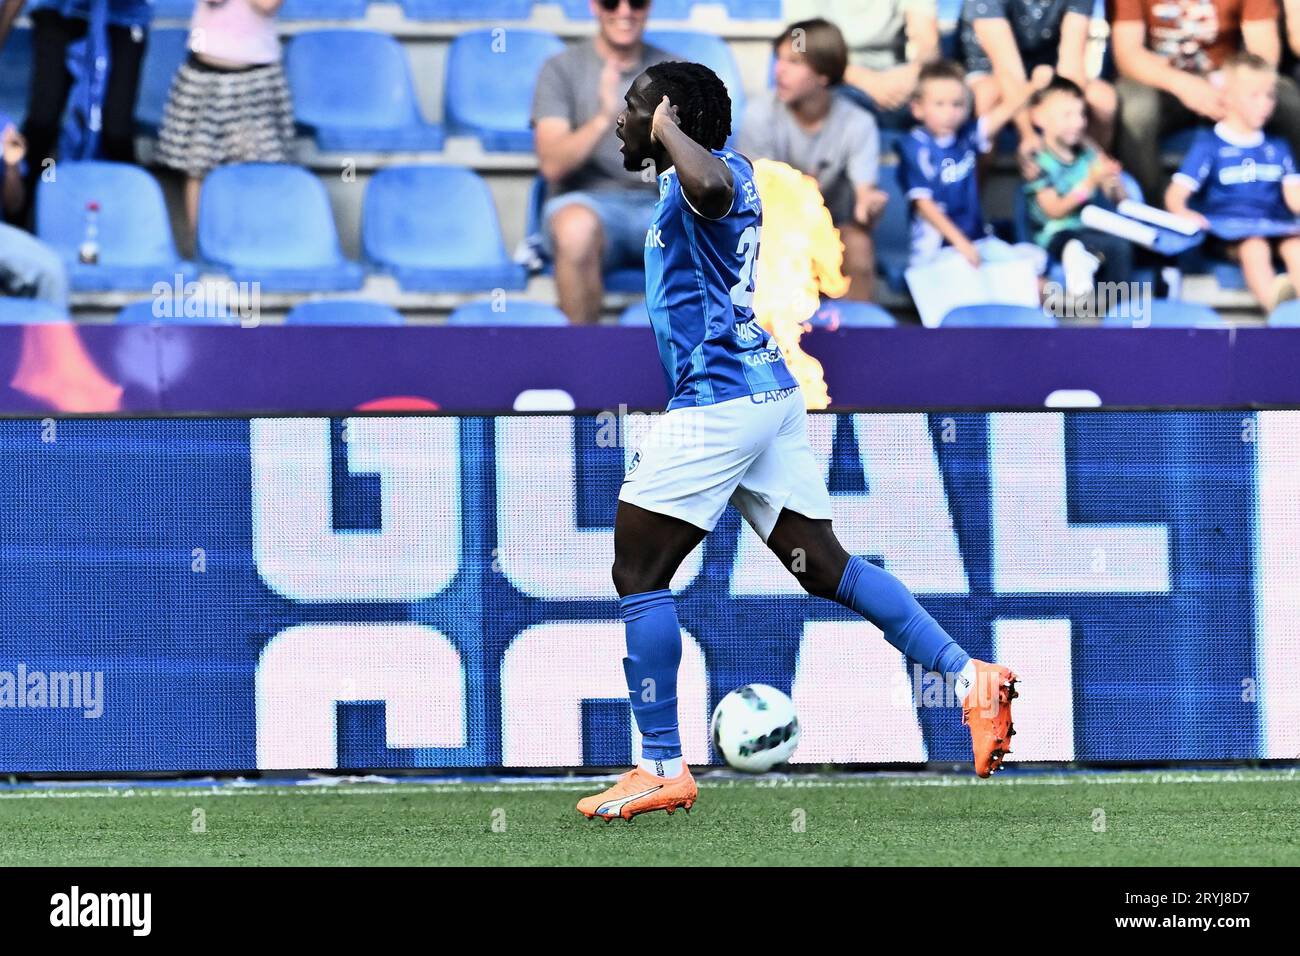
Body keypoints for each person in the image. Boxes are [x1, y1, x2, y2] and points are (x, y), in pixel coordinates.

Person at [575, 61, 1020, 823]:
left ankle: (659, 765)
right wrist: (666, 138)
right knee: (826, 567)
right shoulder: (714, 173)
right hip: (765, 395)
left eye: (634, 109)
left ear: (670, 118)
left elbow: (708, 191)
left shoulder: (709, 178)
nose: (621, 119)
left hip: (719, 402)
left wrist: (666, 127)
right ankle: (969, 675)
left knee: (637, 571)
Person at [531, 0, 672, 325]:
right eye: (612, 1)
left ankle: (697, 369)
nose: (624, 11)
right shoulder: (561, 68)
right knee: (576, 229)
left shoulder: (674, 70)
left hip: (659, 202)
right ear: (595, 6)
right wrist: (604, 117)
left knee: (711, 226)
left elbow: (699, 158)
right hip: (588, 201)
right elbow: (552, 165)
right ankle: (581, 363)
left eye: (635, 1)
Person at [739, 18, 888, 301]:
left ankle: (856, 337)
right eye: (779, 59)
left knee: (859, 244)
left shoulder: (858, 123)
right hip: (774, 232)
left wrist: (869, 208)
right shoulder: (759, 115)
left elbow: (864, 196)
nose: (778, 70)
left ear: (824, 74)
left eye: (794, 62)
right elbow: (757, 202)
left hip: (833, 231)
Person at [1112, 0, 1300, 205]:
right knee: (1136, 110)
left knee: (1287, 101)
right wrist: (1182, 84)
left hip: (1225, 78)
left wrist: (1230, 86)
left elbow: (1264, 51)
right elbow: (1127, 54)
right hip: (1162, 82)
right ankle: (1151, 207)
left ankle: (1287, 203)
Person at [1166, 53, 1300, 311]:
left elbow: (1294, 198)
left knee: (1296, 247)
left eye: (1270, 96)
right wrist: (1185, 214)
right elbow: (1175, 196)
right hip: (1231, 232)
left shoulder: (1278, 147)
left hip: (1274, 225)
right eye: (1254, 96)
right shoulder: (1209, 145)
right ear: (1227, 96)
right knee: (1255, 248)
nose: (1265, 104)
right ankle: (1278, 310)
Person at [154, 0, 295, 236]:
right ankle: (201, 246)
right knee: (197, 168)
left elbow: (266, 5)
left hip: (255, 77)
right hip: (202, 73)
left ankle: (248, 241)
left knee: (254, 168)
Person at [6, 0, 152, 226]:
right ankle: (24, 220)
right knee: (43, 125)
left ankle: (129, 223)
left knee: (116, 133)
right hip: (60, 12)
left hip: (124, 18)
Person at [899, 58, 1053, 268]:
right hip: (936, 251)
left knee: (1036, 261)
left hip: (975, 241)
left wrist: (1033, 86)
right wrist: (961, 243)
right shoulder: (915, 146)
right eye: (939, 104)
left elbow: (1003, 112)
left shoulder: (966, 136)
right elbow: (924, 205)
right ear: (917, 108)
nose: (949, 113)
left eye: (957, 104)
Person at [962, 0, 1117, 170]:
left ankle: (1086, 174)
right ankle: (972, 187)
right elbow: (1007, 70)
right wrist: (1027, 134)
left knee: (1102, 98)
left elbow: (1071, 65)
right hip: (990, 74)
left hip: (1047, 76)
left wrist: (1067, 120)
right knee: (986, 95)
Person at [1024, 76, 1135, 297]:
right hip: (1057, 235)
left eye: (1081, 114)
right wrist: (1089, 182)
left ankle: (1116, 311)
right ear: (1038, 117)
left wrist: (1111, 179)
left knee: (1122, 245)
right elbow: (1054, 210)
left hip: (1092, 230)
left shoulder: (1087, 154)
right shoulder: (1038, 162)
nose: (1078, 123)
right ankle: (1083, 275)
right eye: (1067, 115)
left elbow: (1121, 200)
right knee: (1090, 245)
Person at [785, 0, 941, 129]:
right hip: (833, 76)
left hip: (896, 81)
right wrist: (867, 81)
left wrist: (913, 73)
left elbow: (927, 41)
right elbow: (799, 46)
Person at [0, 115, 68, 307]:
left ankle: (47, 337)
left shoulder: (3, 126)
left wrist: (11, 166)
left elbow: (14, 205)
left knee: (51, 271)